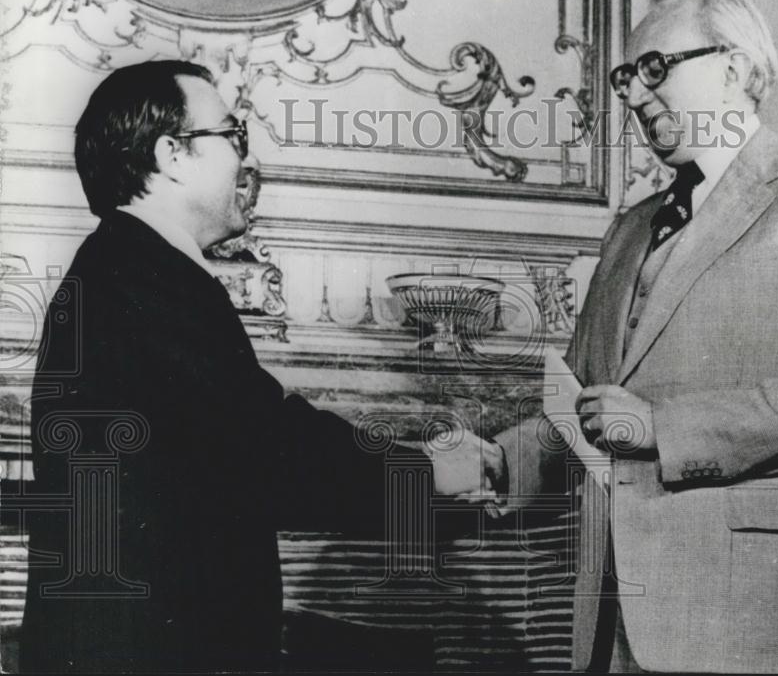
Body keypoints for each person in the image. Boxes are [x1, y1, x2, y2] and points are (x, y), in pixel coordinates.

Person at [20, 60, 503, 673]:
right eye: (233, 136)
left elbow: (243, 449)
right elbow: (271, 452)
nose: (248, 161)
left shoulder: (127, 268)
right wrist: (428, 471)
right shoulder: (145, 280)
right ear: (172, 154)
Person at [493, 0, 778, 673]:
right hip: (614, 606)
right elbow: (581, 402)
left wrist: (664, 426)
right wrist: (500, 462)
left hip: (748, 607)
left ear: (735, 71)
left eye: (655, 67)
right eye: (627, 77)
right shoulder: (630, 225)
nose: (634, 93)